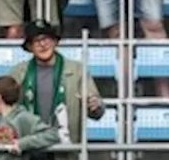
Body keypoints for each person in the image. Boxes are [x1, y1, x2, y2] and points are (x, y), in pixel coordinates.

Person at [5, 20, 102, 152]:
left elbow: (97, 111)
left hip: (66, 154)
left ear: (55, 42)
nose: (43, 44)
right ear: (29, 47)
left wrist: (94, 106)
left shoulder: (77, 70)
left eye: (47, 39)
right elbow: (4, 107)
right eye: (36, 41)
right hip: (29, 151)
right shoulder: (19, 72)